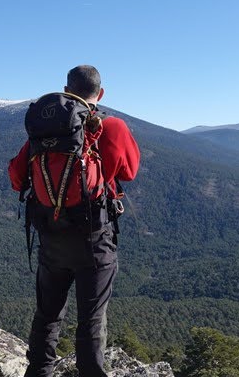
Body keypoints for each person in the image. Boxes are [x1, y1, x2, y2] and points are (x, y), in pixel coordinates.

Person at [8, 65, 140, 377]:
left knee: (48, 314)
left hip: (52, 238)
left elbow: (16, 178)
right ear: (101, 93)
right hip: (94, 240)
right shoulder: (112, 127)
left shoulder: (45, 132)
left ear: (66, 90)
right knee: (91, 319)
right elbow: (129, 172)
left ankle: (39, 372)